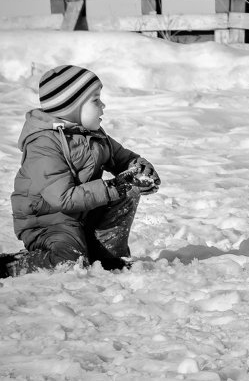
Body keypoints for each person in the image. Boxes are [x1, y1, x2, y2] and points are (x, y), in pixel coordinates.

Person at [4, 65, 160, 277]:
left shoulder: (93, 134)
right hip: (48, 220)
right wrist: (114, 186)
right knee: (69, 262)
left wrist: (140, 169)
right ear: (71, 107)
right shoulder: (43, 144)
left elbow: (122, 157)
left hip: (83, 213)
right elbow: (62, 199)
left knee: (129, 188)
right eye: (95, 100)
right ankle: (13, 265)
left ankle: (105, 255)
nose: (103, 105)